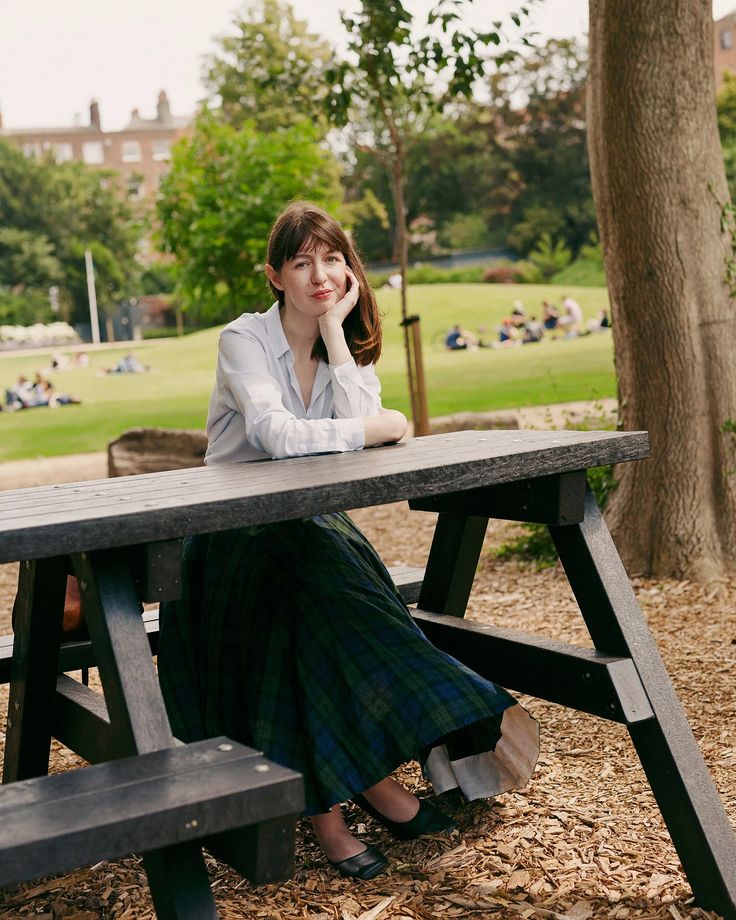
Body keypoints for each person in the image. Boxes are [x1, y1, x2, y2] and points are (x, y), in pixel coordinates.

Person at [156, 202, 539, 881]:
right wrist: (374, 428)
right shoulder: (242, 340)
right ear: (274, 275)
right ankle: (349, 798)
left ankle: (341, 798)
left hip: (310, 529)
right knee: (307, 600)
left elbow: (365, 437)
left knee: (320, 603)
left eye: (332, 258)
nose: (320, 275)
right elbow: (282, 437)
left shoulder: (342, 345)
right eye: (301, 262)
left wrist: (335, 332)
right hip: (228, 537)